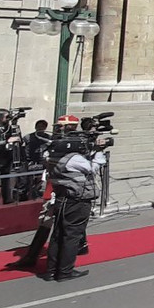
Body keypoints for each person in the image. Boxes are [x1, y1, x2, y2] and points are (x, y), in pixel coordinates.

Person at [46, 119, 109, 280]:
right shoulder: (73, 159)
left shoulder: (51, 156)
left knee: (58, 234)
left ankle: (52, 270)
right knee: (72, 235)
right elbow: (93, 168)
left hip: (61, 197)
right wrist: (99, 151)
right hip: (77, 199)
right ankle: (65, 271)